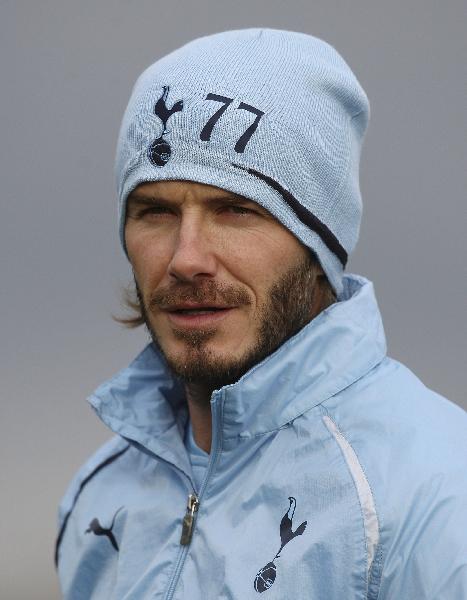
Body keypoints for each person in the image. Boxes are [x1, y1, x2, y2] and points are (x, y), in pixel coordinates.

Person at [55, 29, 467, 599]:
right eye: (155, 211)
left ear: (319, 243)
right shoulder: (97, 499)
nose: (186, 259)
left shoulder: (435, 501)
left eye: (236, 210)